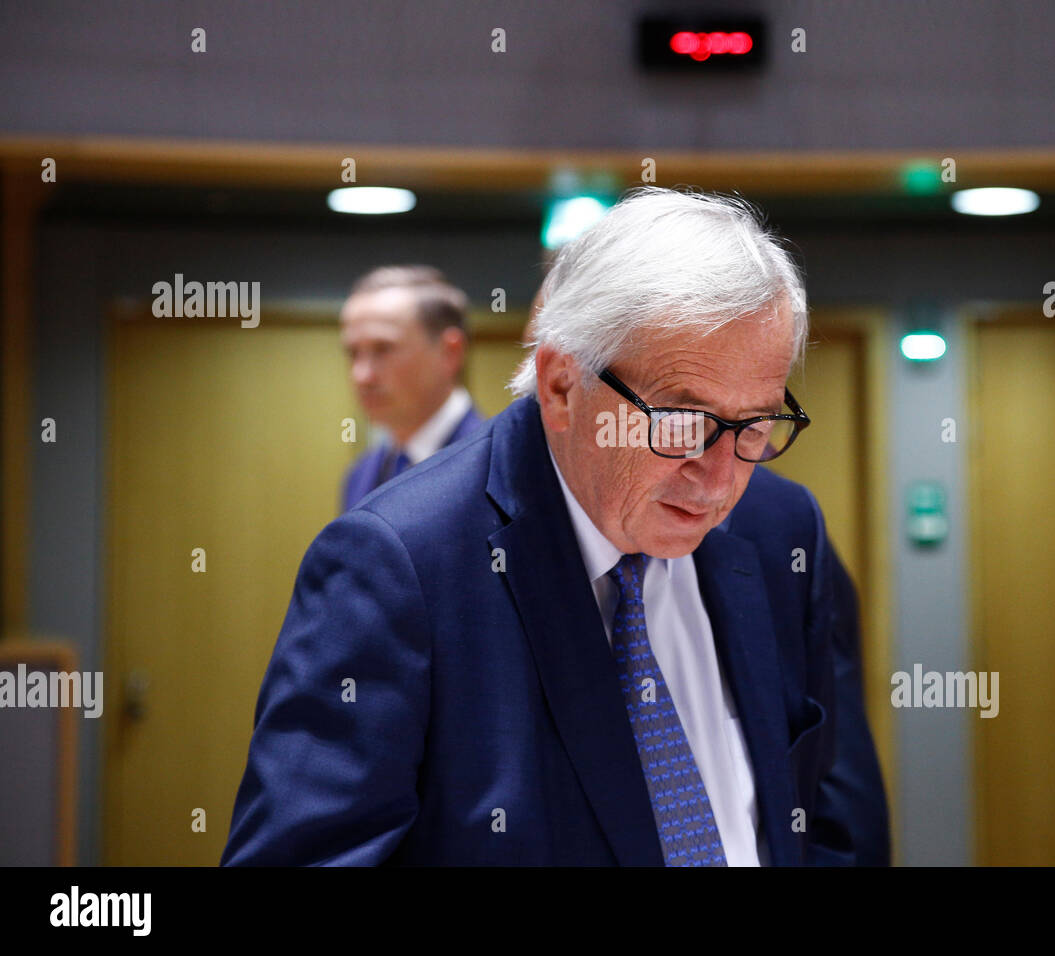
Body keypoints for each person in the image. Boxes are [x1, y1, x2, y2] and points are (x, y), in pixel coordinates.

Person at [222, 187, 889, 866]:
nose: (719, 480)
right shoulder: (399, 566)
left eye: (754, 424)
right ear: (562, 387)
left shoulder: (781, 532)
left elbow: (830, 825)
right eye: (682, 422)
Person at [338, 265, 484, 510]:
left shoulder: (499, 466)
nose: (362, 376)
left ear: (450, 352)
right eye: (353, 353)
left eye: (383, 349)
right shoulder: (359, 475)